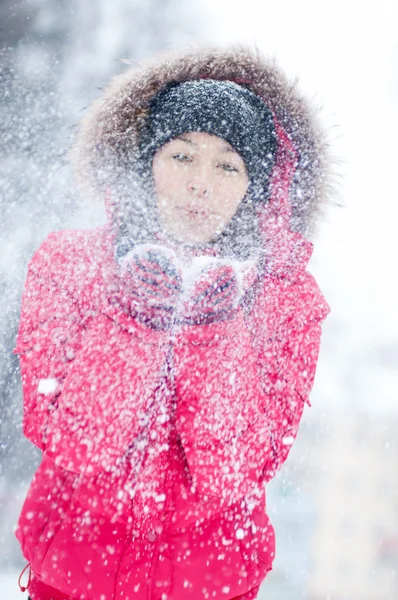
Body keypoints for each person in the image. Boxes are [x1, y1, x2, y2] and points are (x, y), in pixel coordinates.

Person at [15, 46, 331, 600]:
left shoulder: (286, 301)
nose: (201, 184)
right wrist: (139, 316)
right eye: (181, 155)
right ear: (144, 163)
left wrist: (213, 320)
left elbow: (234, 468)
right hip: (70, 581)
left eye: (229, 164)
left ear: (256, 192)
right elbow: (75, 443)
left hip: (209, 587)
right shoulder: (70, 265)